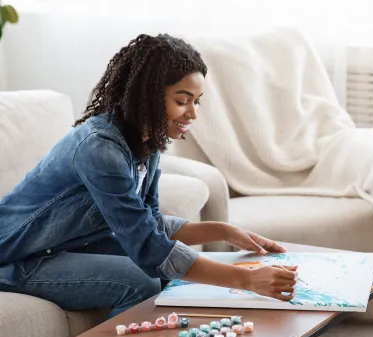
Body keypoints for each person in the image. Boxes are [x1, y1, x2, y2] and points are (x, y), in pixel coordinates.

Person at [0, 34, 297, 318]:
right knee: (139, 281)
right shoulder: (99, 149)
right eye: (183, 101)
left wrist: (223, 231)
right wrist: (246, 279)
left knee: (169, 272)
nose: (192, 114)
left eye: (197, 101)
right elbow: (148, 247)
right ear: (150, 97)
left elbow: (149, 223)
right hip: (20, 258)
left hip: (69, 245)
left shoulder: (147, 144)